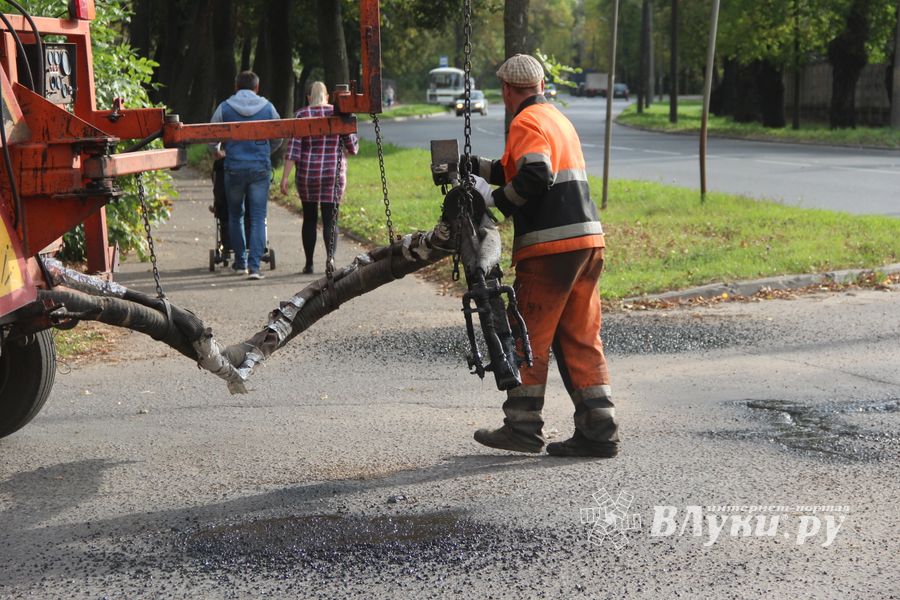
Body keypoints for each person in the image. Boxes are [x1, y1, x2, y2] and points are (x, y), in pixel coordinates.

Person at [465, 54, 617, 458]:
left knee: (527, 334)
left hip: (551, 247)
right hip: (587, 243)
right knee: (579, 336)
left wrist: (495, 203)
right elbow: (519, 168)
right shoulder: (556, 119)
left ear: (507, 91)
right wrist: (476, 167)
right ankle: (599, 429)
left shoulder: (525, 121)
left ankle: (523, 426)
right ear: (541, 85)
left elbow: (536, 173)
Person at [279, 81, 359, 274]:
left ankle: (309, 264)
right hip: (333, 174)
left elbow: (294, 149)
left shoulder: (301, 115)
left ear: (309, 98)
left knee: (309, 218)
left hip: (308, 174)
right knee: (331, 219)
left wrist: (285, 177)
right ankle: (330, 259)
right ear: (327, 97)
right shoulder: (337, 114)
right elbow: (352, 147)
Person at [210, 70, 280, 280]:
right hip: (259, 168)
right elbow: (279, 136)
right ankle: (255, 266)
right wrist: (266, 151)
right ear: (257, 88)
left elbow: (211, 136)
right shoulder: (268, 108)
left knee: (235, 215)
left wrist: (218, 152)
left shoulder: (224, 107)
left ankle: (240, 263)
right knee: (258, 216)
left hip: (234, 167)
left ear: (236, 87)